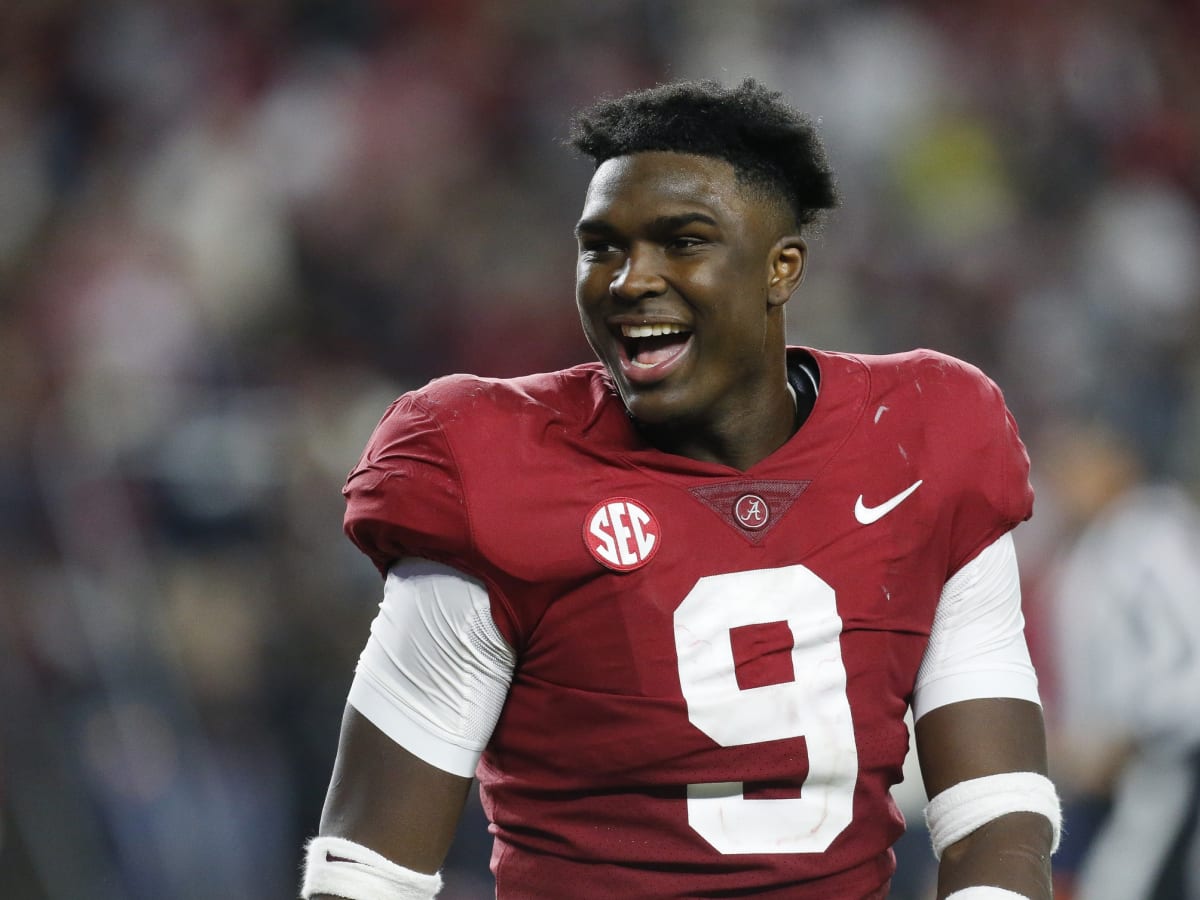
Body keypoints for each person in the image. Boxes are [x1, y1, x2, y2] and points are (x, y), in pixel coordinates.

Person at [301, 78, 1060, 900]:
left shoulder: (924, 439)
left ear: (781, 268)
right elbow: (369, 869)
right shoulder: (491, 468)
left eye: (682, 242)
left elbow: (996, 813)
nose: (630, 279)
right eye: (602, 247)